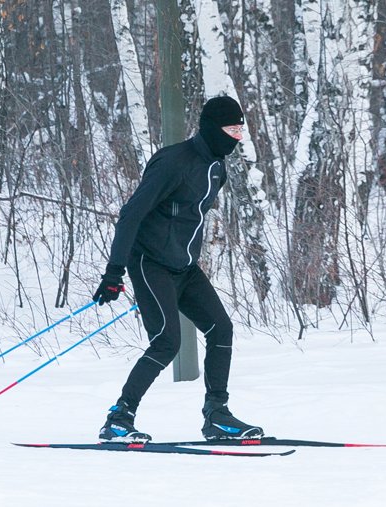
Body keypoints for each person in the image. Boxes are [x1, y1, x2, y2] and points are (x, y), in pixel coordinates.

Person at [92, 96, 264, 442]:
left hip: (185, 268)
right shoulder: (174, 162)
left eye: (240, 130)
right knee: (167, 342)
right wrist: (115, 272)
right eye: (232, 130)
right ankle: (118, 418)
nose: (238, 138)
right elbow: (132, 214)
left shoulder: (217, 168)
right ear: (214, 129)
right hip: (150, 263)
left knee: (221, 329)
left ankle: (217, 415)